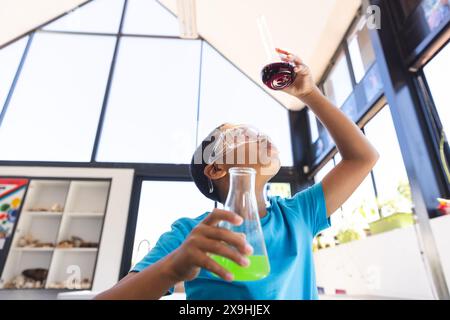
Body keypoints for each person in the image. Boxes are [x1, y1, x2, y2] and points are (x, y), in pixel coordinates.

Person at [95, 50, 379, 300]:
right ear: (216, 168)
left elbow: (362, 157)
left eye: (254, 130)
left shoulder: (298, 215)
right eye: (238, 136)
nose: (258, 135)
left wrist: (309, 94)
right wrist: (172, 268)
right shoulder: (191, 235)